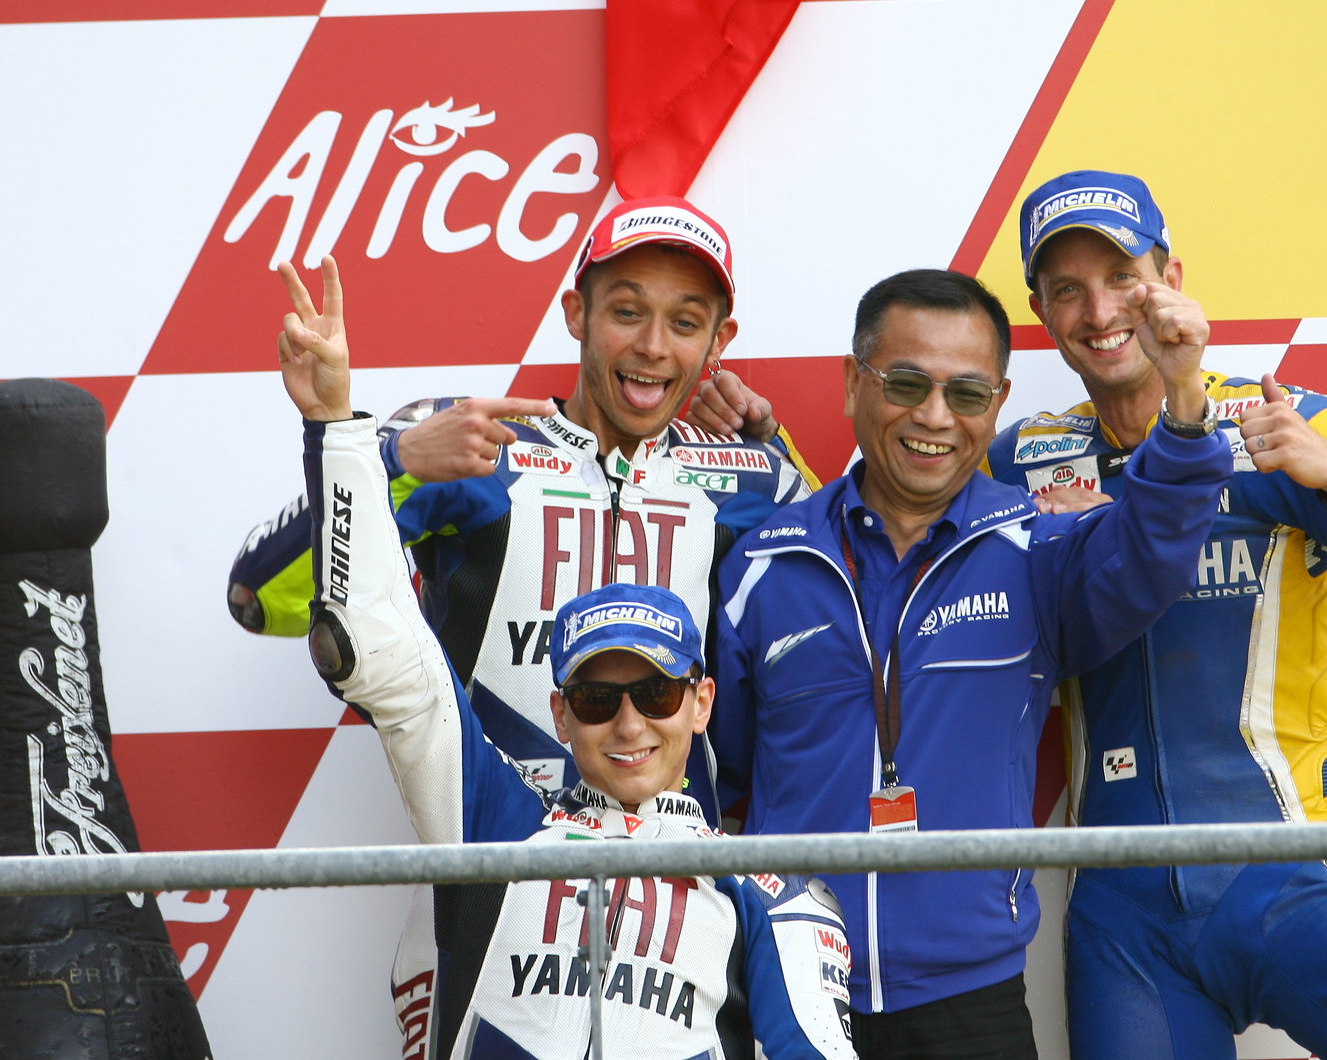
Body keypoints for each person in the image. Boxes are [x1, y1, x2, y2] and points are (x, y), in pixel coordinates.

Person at [253, 196, 813, 1051]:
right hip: (488, 871)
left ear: (718, 343)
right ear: (576, 314)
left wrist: (774, 443)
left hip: (670, 894)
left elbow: (845, 569)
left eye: (685, 323)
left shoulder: (743, 478)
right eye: (626, 311)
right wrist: (394, 461)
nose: (654, 346)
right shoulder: (474, 442)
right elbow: (264, 598)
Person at [983, 169, 1327, 1059]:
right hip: (1124, 910)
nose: (1100, 309)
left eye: (1123, 276)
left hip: (1294, 864)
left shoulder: (1287, 419)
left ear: (1173, 279)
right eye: (1067, 289)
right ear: (1041, 311)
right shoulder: (1021, 463)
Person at [708, 267, 1232, 1058]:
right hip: (788, 991)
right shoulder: (764, 564)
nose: (933, 417)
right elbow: (723, 769)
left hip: (971, 1001)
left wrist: (1184, 400)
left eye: (967, 394)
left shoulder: (1037, 549)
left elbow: (1153, 549)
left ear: (997, 402)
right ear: (853, 382)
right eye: (907, 382)